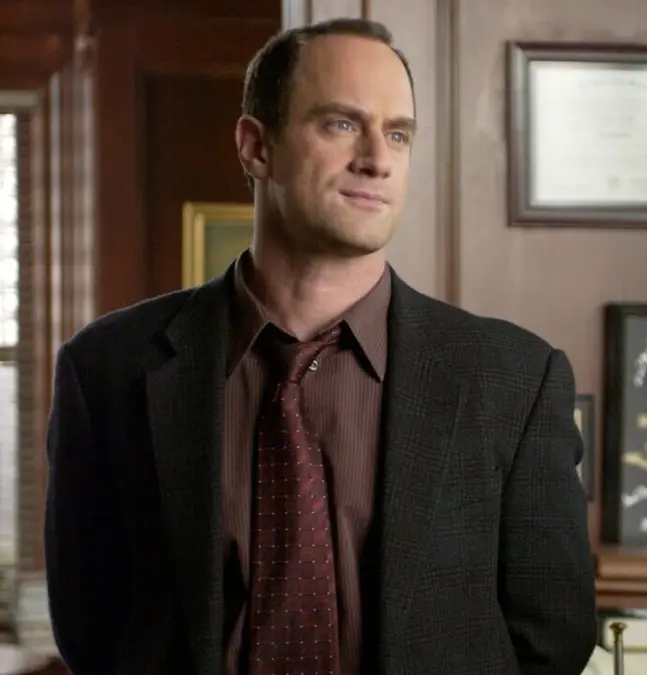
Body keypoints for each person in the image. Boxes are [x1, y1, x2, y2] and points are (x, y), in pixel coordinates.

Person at [43, 18, 596, 675]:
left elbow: (553, 639)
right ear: (256, 147)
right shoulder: (109, 369)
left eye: (398, 134)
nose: (377, 158)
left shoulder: (514, 379)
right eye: (341, 124)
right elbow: (92, 630)